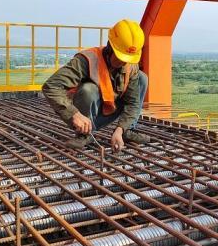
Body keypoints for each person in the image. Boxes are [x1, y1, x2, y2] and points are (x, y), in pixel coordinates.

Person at [42, 19, 150, 151]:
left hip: (112, 110)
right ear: (110, 47)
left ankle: (126, 131)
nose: (123, 62)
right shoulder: (87, 60)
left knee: (142, 78)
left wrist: (120, 129)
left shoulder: (130, 65)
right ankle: (84, 135)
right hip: (85, 118)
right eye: (120, 57)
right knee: (88, 89)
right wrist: (74, 114)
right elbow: (51, 86)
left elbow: (133, 103)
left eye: (127, 59)